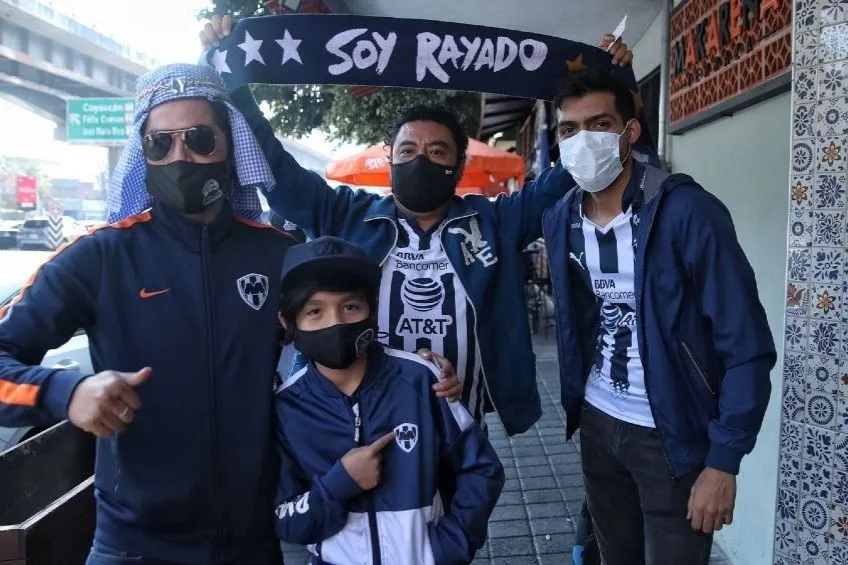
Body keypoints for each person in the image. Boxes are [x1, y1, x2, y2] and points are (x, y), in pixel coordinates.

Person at [200, 16, 635, 436]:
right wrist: (233, 83)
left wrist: (614, 82)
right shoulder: (344, 214)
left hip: (461, 431)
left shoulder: (496, 220)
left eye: (437, 151)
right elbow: (276, 169)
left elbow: (575, 167)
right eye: (407, 150)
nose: (420, 160)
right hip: (359, 430)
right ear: (390, 158)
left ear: (459, 164)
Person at [0, 63, 295, 565]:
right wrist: (65, 393)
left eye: (200, 138)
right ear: (144, 155)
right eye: (161, 144)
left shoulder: (279, 254)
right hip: (134, 547)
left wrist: (424, 373)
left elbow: (342, 348)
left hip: (255, 543)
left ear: (231, 147)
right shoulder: (100, 257)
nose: (181, 156)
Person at [542, 68, 775, 565]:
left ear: (630, 132)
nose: (583, 140)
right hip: (600, 422)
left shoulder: (688, 212)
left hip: (673, 436)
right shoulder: (561, 216)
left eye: (600, 124)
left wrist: (722, 462)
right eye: (569, 129)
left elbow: (747, 346)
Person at [273, 235, 504, 564]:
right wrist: (340, 484)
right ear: (288, 321)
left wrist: (450, 547)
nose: (335, 322)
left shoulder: (421, 380)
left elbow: (481, 468)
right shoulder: (285, 408)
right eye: (314, 312)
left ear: (372, 308)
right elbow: (285, 519)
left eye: (350, 306)